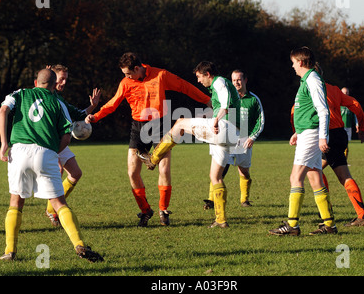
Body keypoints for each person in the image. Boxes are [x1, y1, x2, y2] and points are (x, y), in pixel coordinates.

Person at [85, 52, 211, 227]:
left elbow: (184, 86)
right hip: (138, 127)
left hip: (161, 125)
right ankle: (145, 211)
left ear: (137, 68)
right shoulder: (125, 83)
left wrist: (207, 100)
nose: (126, 77)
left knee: (164, 169)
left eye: (128, 73)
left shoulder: (161, 75)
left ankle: (163, 210)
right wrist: (95, 117)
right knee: (132, 172)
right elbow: (113, 103)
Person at [0, 68, 103, 262]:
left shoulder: (21, 93)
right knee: (59, 204)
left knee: (16, 202)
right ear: (55, 85)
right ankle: (79, 244)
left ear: (36, 82)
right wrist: (54, 153)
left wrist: (4, 142)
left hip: (18, 151)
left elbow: (3, 109)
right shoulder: (58, 102)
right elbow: (66, 134)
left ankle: (10, 251)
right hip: (45, 152)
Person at [139, 61, 241, 228]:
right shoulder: (220, 85)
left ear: (208, 74)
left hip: (224, 127)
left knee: (179, 123)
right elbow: (221, 106)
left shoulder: (219, 82)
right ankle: (221, 220)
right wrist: (207, 116)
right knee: (215, 177)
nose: (198, 81)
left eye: (200, 77)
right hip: (231, 132)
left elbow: (226, 105)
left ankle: (153, 158)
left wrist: (215, 119)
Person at [269, 47, 336, 236]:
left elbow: (323, 110)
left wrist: (323, 136)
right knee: (314, 177)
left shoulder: (312, 79)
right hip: (307, 133)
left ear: (300, 62)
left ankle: (292, 226)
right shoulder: (307, 80)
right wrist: (298, 132)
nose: (292, 66)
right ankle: (329, 225)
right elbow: (307, 110)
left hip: (312, 135)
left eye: (293, 62)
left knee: (295, 177)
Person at [44, 64, 101, 227]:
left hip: (59, 142)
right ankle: (56, 209)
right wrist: (46, 73)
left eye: (65, 80)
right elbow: (40, 86)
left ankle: (50, 209)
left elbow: (79, 114)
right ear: (52, 78)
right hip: (46, 143)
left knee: (75, 173)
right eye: (61, 79)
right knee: (58, 171)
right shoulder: (42, 95)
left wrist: (93, 106)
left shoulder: (60, 99)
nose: (63, 83)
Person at [203, 69, 264, 209]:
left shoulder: (253, 99)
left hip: (244, 140)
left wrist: (252, 137)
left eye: (239, 79)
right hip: (228, 137)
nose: (236, 82)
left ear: (245, 80)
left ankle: (244, 199)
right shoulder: (228, 97)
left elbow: (260, 121)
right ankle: (211, 200)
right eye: (234, 80)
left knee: (244, 171)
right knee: (220, 168)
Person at [321, 83, 364, 226]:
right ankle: (362, 216)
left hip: (325, 135)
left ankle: (326, 212)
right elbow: (355, 103)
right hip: (339, 134)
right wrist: (363, 127)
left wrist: (297, 131)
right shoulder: (334, 89)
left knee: (312, 170)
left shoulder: (309, 86)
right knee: (344, 176)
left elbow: (297, 111)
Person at [340, 87, 359, 159]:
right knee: (340, 144)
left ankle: (344, 161)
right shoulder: (337, 102)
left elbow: (355, 115)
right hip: (339, 127)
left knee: (346, 145)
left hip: (348, 127)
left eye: (347, 93)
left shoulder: (351, 103)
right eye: (344, 93)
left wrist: (357, 124)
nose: (345, 94)